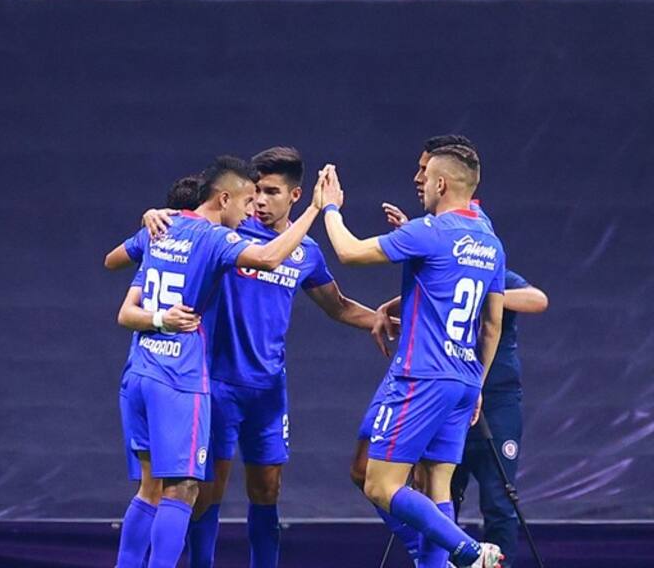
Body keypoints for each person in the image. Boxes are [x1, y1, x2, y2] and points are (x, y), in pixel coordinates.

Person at [120, 147, 390, 568]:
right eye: (255, 193)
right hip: (216, 383)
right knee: (202, 493)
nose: (260, 202)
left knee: (267, 490)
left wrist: (379, 320)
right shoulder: (228, 235)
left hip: (267, 391)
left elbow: (336, 305)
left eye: (271, 192)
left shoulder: (304, 252)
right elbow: (187, 219)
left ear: (295, 195)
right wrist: (154, 215)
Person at [318, 141, 506, 568]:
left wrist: (330, 208)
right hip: (463, 379)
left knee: (380, 485)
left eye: (425, 176)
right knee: (438, 485)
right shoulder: (490, 241)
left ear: (442, 183)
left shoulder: (430, 232)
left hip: (421, 376)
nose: (418, 182)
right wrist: (477, 382)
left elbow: (349, 252)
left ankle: (471, 553)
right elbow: (491, 324)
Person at [451, 270, 548, 567]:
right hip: (450, 397)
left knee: (498, 498)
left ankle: (499, 564)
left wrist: (489, 296)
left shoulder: (497, 274)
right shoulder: (443, 269)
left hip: (498, 401)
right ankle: (445, 561)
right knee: (442, 493)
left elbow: (538, 300)